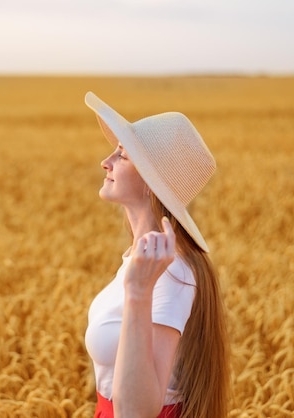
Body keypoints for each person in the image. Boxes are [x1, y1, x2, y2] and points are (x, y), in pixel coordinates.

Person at [83, 92, 230, 418]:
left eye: (123, 155)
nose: (106, 162)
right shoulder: (142, 260)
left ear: (151, 183)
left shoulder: (172, 272)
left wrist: (138, 292)